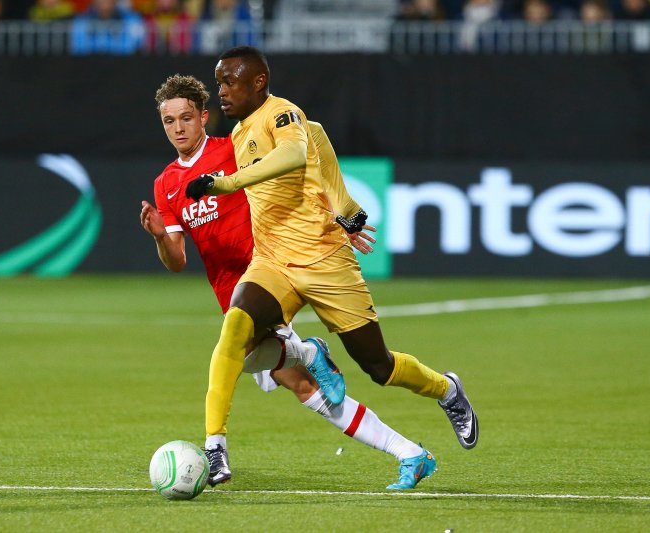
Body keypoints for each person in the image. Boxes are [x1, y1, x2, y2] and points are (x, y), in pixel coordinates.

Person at [184, 46, 479, 485]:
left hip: (325, 263)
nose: (221, 91)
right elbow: (320, 148)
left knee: (379, 368)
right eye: (219, 81)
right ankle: (215, 447)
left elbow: (295, 155)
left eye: (229, 81)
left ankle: (447, 390)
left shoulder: (282, 115)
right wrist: (346, 207)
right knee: (235, 329)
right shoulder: (248, 127)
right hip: (273, 262)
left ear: (258, 82)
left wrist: (225, 183)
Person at [141, 74, 437, 490]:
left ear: (203, 117)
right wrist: (159, 237)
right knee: (304, 388)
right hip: (231, 292)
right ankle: (408, 451)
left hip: (270, 276)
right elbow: (176, 260)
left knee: (237, 358)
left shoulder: (235, 150)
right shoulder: (166, 183)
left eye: (185, 118)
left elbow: (304, 164)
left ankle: (218, 445)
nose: (177, 128)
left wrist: (339, 216)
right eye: (169, 121)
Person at [70, 0, 145, 55]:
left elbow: (134, 47)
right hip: (89, 67)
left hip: (124, 67)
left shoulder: (132, 20)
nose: (104, 2)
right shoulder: (81, 21)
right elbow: (79, 49)